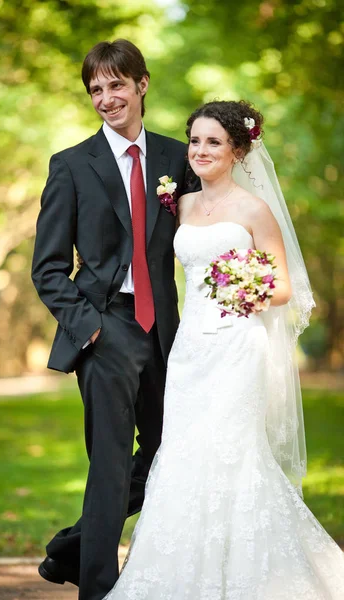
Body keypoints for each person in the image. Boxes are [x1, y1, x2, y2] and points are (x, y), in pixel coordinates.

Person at [102, 100, 344, 599]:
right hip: (190, 350)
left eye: (214, 142)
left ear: (237, 149)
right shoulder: (181, 205)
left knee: (232, 453)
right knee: (183, 452)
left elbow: (284, 288)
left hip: (238, 347)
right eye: (195, 140)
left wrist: (240, 285)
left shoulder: (254, 209)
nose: (201, 150)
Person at [31, 39, 197, 600]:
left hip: (170, 331)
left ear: (142, 84)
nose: (106, 98)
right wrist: (91, 328)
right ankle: (98, 587)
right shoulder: (71, 166)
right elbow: (48, 268)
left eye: (116, 84)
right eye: (95, 89)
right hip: (106, 325)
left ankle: (71, 549)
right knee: (108, 463)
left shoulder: (179, 159)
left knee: (164, 453)